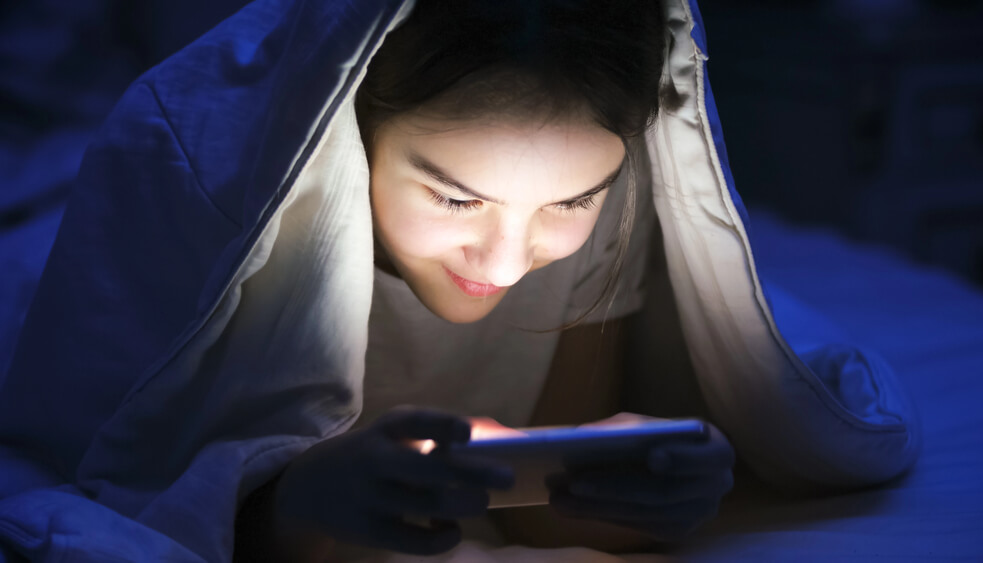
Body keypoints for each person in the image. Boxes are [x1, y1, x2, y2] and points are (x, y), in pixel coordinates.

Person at [0, 0, 921, 561]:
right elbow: (93, 483)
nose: (509, 261)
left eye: (570, 202)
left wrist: (631, 495)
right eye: (453, 197)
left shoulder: (606, 221)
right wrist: (296, 508)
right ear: (346, 133)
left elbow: (533, 504)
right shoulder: (218, 208)